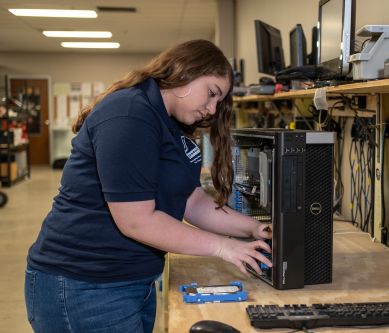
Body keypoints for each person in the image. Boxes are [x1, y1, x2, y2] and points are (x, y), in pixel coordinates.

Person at [25, 39, 272, 333]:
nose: (211, 108)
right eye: (211, 93)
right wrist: (223, 247)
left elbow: (191, 200)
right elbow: (137, 222)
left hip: (128, 281)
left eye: (218, 101)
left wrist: (252, 229)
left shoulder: (169, 123)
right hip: (84, 285)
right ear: (186, 72)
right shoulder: (130, 113)